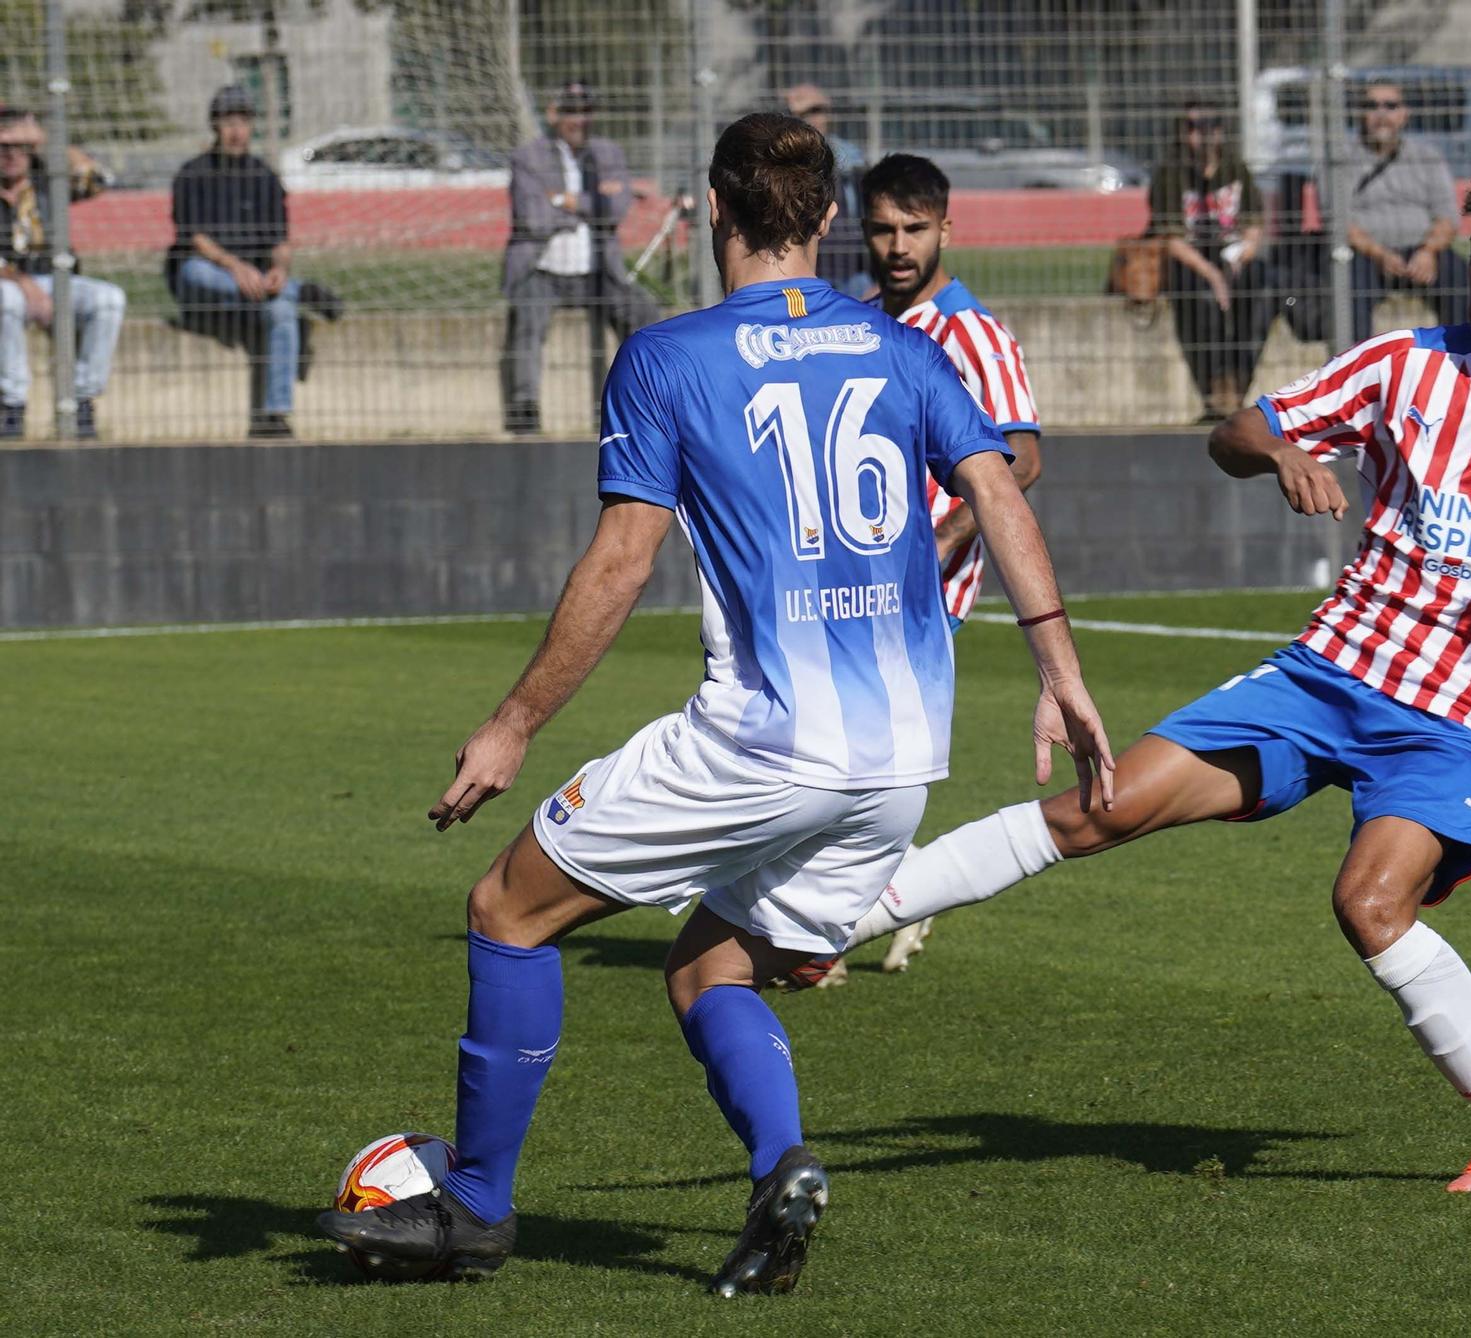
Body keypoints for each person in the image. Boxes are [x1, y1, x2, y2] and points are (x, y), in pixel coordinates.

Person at [316, 111, 1113, 1294]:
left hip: (759, 740)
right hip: (899, 758)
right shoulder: (904, 349)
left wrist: (514, 724)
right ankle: (779, 1168)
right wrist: (1061, 674)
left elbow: (621, 561)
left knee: (505, 911)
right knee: (708, 969)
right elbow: (999, 489)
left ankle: (474, 1209)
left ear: (711, 212)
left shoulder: (669, 355)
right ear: (831, 219)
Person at [835, 170, 1471, 1192]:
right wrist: (1283, 454)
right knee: (1103, 804)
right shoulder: (1402, 363)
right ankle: (841, 919)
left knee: (1369, 903)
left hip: (1452, 718)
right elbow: (1234, 434)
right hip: (1328, 674)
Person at [789, 152, 1045, 984]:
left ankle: (822, 931)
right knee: (835, 749)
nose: (898, 246)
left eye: (915, 229)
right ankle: (876, 900)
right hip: (841, 575)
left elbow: (1024, 459)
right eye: (883, 229)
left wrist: (944, 541)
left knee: (846, 752)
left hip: (924, 589)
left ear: (946, 229)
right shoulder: (859, 321)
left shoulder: (974, 333)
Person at [168, 85, 340, 441]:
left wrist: (279, 271)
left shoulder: (264, 176)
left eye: (243, 122)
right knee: (198, 273)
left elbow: (280, 240)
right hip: (206, 280)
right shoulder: (193, 173)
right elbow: (194, 238)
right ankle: (300, 293)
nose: (236, 131)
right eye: (228, 122)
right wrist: (234, 266)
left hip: (255, 286)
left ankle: (274, 415)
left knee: (280, 311)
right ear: (215, 127)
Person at [500, 80, 662, 435]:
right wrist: (592, 202)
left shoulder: (608, 154)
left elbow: (616, 209)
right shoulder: (528, 157)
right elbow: (533, 218)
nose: (581, 119)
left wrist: (562, 199)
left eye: (587, 111)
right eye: (572, 112)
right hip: (542, 268)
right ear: (554, 114)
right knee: (526, 325)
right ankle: (524, 411)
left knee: (645, 316)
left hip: (598, 270)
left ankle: (647, 404)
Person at [0, 105, 124, 440]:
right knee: (5, 301)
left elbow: (101, 178)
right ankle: (11, 406)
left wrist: (46, 141)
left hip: (56, 279)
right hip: (9, 284)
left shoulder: (48, 181)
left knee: (108, 300)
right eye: (2, 147)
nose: (10, 155)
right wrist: (26, 286)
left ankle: (81, 401)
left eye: (18, 146)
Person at [1148, 100, 1270, 422]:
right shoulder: (1171, 174)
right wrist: (1214, 276)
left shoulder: (1235, 168)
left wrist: (1244, 254)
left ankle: (1238, 385)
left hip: (1234, 256)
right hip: (1192, 259)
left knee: (1260, 291)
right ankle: (1214, 389)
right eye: (1193, 127)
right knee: (1198, 298)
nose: (1203, 134)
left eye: (1211, 125)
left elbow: (1254, 223)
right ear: (1182, 132)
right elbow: (1171, 238)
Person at [1344, 80, 1471, 341]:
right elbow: (1340, 223)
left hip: (1422, 249)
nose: (1381, 114)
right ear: (1360, 113)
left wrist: (1428, 251)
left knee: (1462, 278)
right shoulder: (1341, 159)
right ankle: (1355, 367)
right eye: (1372, 106)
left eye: (1390, 106)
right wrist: (1380, 254)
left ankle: (1461, 359)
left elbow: (1447, 217)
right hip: (1367, 254)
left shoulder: (1427, 156)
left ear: (1404, 114)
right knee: (1348, 287)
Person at [783, 83, 870, 298]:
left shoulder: (850, 155)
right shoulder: (782, 162)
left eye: (816, 110)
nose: (810, 119)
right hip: (807, 269)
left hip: (853, 267)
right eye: (799, 114)